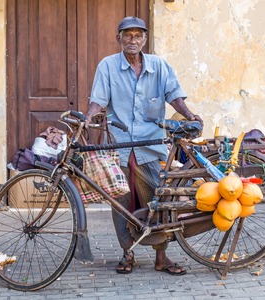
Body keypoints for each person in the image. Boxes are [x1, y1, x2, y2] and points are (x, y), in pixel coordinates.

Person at [85, 16, 203, 276]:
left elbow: (174, 95)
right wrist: (89, 117)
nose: (133, 40)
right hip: (120, 146)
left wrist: (189, 114)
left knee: (158, 201)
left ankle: (162, 257)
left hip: (150, 145)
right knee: (121, 203)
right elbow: (98, 100)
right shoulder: (107, 66)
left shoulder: (159, 66)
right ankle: (127, 254)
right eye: (127, 35)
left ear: (145, 39)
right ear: (119, 39)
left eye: (138, 35)